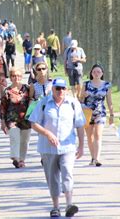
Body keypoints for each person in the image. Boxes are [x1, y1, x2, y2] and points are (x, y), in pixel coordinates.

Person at [28, 78, 85, 218]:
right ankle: (55, 207)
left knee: (67, 172)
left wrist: (82, 146)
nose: (60, 91)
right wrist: (47, 133)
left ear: (66, 89)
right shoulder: (43, 103)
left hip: (68, 147)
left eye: (63, 88)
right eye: (57, 88)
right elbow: (33, 123)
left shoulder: (72, 103)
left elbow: (80, 125)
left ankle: (69, 204)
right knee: (52, 178)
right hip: (48, 148)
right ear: (52, 89)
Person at [79, 64, 113, 166]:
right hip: (88, 112)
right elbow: (80, 99)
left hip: (100, 112)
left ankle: (97, 158)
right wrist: (83, 96)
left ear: (102, 73)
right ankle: (93, 157)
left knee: (98, 134)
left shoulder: (107, 85)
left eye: (99, 72)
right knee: (90, 137)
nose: (96, 73)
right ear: (91, 73)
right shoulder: (86, 84)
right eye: (94, 72)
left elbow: (109, 101)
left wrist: (111, 115)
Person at [0, 67, 31, 168]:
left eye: (18, 75)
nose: (16, 78)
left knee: (24, 140)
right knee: (14, 136)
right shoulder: (7, 91)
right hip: (11, 119)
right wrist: (2, 122)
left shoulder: (27, 88)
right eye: (13, 76)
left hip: (25, 119)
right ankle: (15, 158)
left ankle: (22, 159)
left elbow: (32, 101)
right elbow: (3, 107)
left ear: (21, 77)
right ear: (10, 77)